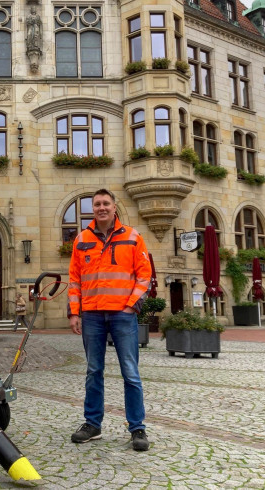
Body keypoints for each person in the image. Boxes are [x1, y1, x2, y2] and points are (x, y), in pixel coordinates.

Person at [67, 188, 152, 452]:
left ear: (115, 207)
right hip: (91, 314)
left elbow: (145, 276)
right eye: (97, 204)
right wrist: (74, 312)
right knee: (94, 371)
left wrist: (130, 307)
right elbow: (74, 279)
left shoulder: (132, 237)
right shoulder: (81, 239)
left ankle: (137, 427)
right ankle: (92, 424)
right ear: (93, 209)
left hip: (121, 315)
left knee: (131, 373)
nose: (101, 207)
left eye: (106, 203)